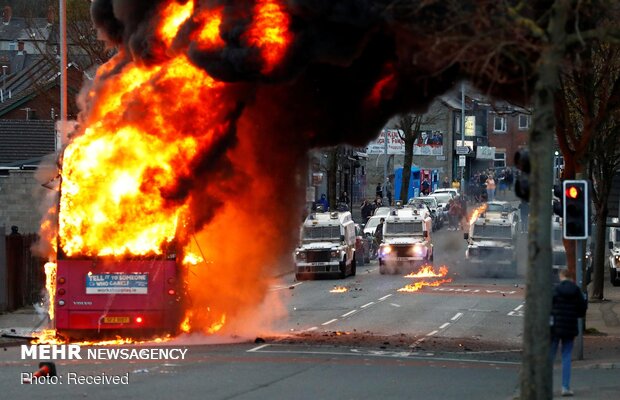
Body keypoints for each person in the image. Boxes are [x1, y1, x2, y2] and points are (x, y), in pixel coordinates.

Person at [550, 269, 587, 397]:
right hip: (570, 327)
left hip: (555, 327)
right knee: (566, 356)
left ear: (561, 276)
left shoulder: (555, 290)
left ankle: (546, 385)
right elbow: (582, 310)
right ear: (571, 277)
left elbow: (549, 307)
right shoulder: (576, 291)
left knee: (551, 356)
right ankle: (565, 387)